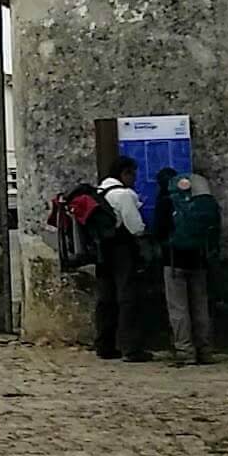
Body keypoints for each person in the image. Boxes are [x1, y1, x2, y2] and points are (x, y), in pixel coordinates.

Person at [152, 167, 221, 366]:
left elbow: (158, 231)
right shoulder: (199, 201)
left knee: (178, 308)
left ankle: (185, 351)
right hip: (199, 259)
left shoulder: (166, 202)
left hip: (173, 261)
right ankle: (205, 350)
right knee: (200, 306)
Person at [93, 155, 150, 362]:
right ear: (125, 173)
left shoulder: (99, 192)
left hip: (101, 251)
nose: (134, 179)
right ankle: (130, 347)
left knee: (105, 298)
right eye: (133, 174)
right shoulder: (123, 195)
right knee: (128, 298)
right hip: (121, 250)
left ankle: (104, 345)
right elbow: (135, 227)